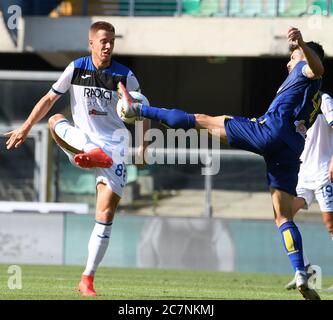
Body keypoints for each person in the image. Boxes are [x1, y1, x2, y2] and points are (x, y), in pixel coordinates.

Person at [117, 27, 324, 300]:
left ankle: (139, 109)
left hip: (268, 132)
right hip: (289, 150)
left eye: (293, 56)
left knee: (200, 120)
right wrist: (301, 52)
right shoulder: (314, 94)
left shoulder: (306, 71)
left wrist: (302, 47)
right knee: (283, 216)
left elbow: (317, 68)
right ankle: (301, 271)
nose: (289, 62)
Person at [5, 21, 150, 297]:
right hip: (84, 145)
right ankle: (91, 154)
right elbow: (49, 100)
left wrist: (142, 148)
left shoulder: (126, 76)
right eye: (103, 41)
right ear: (91, 44)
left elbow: (143, 113)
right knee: (55, 119)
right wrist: (25, 127)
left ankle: (87, 279)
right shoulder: (75, 68)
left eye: (112, 41)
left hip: (114, 148)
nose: (108, 46)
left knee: (105, 214)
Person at [285, 92, 333, 290]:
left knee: (331, 225)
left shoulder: (324, 99)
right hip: (303, 174)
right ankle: (305, 268)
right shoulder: (295, 105)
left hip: (323, 172)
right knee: (283, 216)